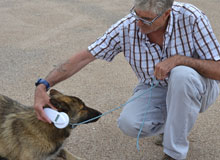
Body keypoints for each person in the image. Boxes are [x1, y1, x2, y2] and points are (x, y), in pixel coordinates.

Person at [34, 0, 220, 159]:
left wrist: (180, 60)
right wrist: (43, 85)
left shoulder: (192, 17)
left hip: (198, 86)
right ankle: (176, 122)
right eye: (136, 15)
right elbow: (85, 57)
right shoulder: (127, 26)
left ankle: (173, 153)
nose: (138, 23)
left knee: (181, 74)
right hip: (155, 86)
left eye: (146, 19)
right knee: (129, 124)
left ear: (167, 14)